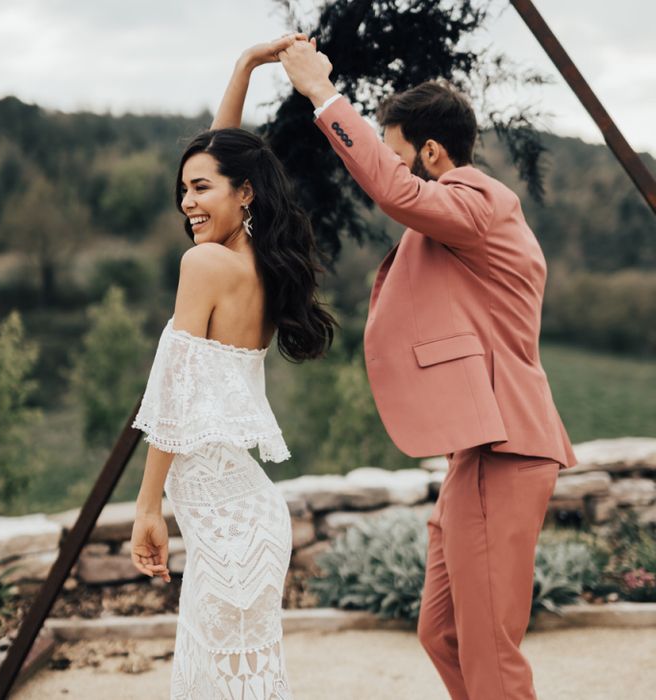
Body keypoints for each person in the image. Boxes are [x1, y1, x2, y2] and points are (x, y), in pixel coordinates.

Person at [278, 39, 577, 700]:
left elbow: (391, 191)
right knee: (441, 634)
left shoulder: (478, 203)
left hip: (505, 449)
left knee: (489, 653)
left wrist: (322, 94)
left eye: (397, 150)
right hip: (474, 453)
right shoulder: (460, 225)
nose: (390, 164)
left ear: (433, 154)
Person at [128, 34, 335, 700]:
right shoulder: (259, 265)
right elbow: (227, 155)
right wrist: (245, 66)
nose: (186, 202)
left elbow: (176, 394)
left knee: (229, 688)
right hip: (239, 514)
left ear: (243, 193)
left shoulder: (205, 265)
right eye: (180, 189)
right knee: (220, 681)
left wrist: (147, 505)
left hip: (228, 520)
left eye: (199, 189)